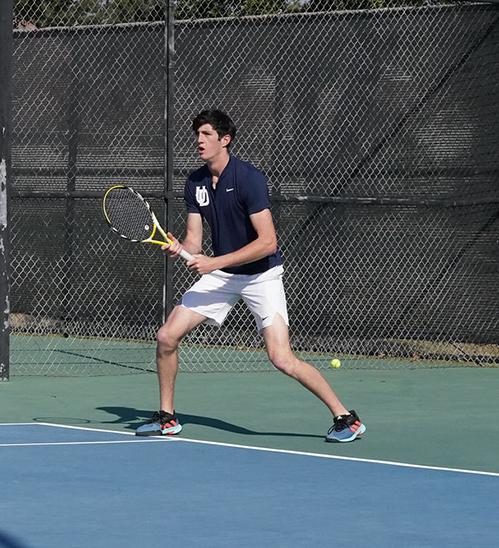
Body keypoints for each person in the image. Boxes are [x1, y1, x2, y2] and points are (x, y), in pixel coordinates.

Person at [135, 109, 365, 444]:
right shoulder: (195, 182)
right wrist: (179, 247)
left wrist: (215, 262)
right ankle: (167, 417)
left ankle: (346, 418)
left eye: (206, 135)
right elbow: (195, 241)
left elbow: (268, 242)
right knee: (167, 336)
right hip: (222, 275)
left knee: (281, 358)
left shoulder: (249, 179)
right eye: (197, 134)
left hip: (261, 276)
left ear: (225, 140)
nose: (199, 141)